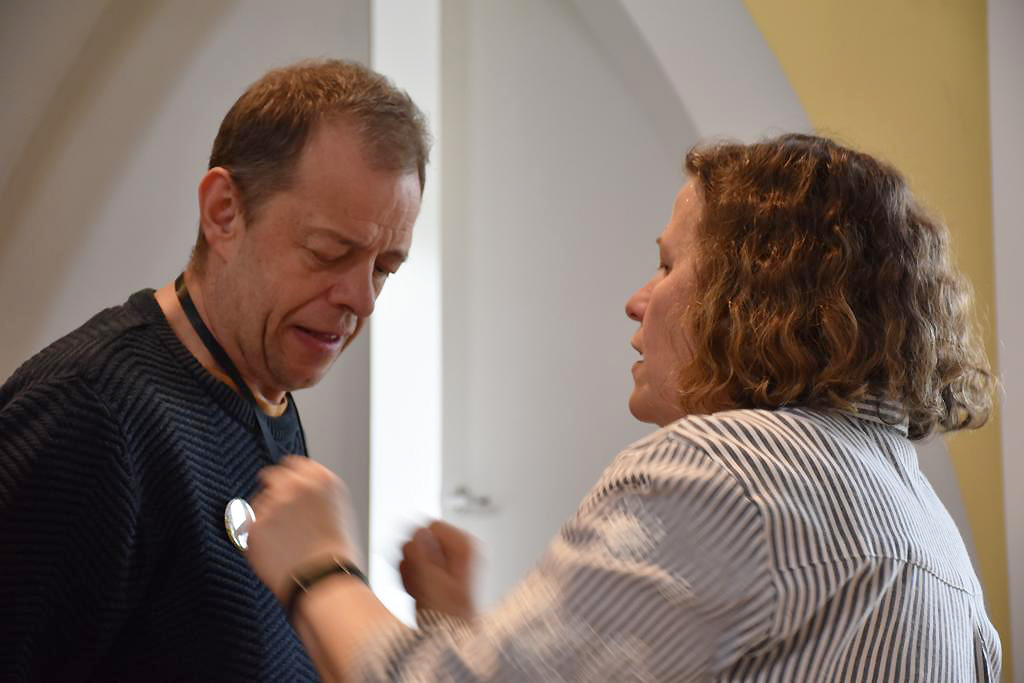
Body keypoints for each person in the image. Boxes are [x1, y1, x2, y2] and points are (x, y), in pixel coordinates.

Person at [245, 133, 1003, 682]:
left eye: (668, 265)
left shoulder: (732, 470)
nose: (639, 300)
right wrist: (454, 625)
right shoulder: (937, 544)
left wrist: (318, 567)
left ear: (754, 296)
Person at [0, 59, 429, 681]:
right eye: (328, 252)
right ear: (225, 212)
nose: (361, 300)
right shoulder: (90, 416)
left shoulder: (261, 388)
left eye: (384, 268)